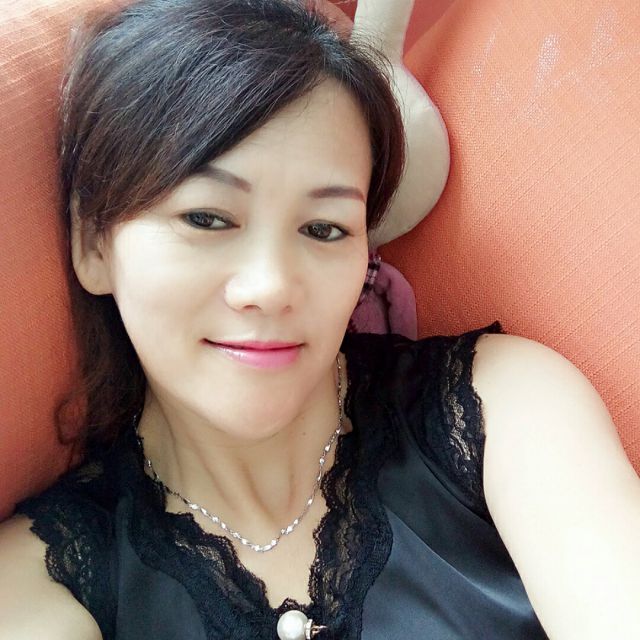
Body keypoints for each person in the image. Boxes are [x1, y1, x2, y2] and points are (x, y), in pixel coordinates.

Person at [1, 1, 639, 639]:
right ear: (94, 244)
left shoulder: (500, 407)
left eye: (324, 228)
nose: (272, 287)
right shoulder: (41, 579)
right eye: (207, 218)